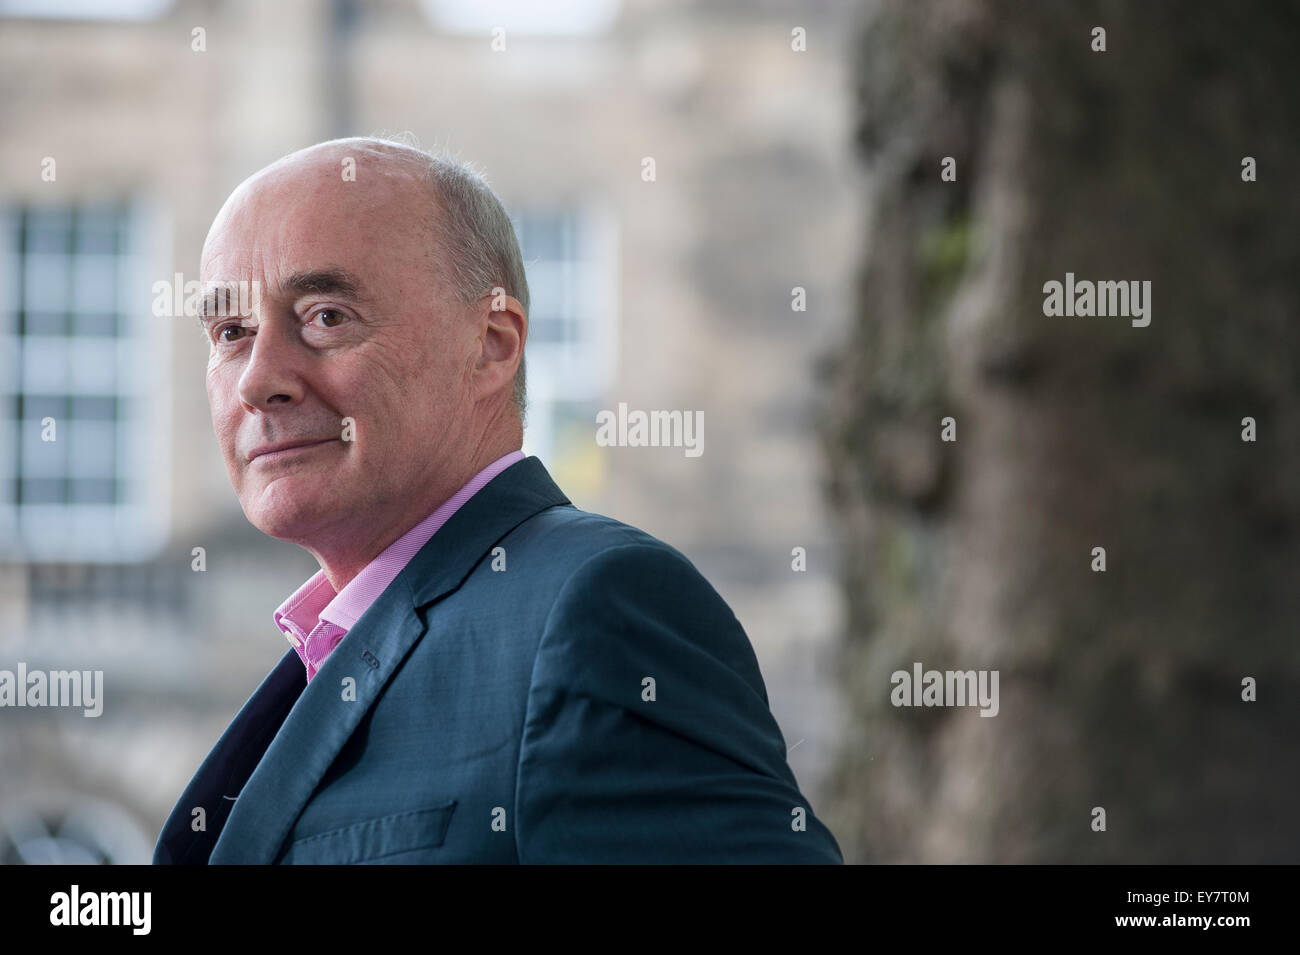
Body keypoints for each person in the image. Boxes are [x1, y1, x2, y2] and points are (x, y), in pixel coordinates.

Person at [153, 136, 843, 864]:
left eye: (326, 316)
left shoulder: (598, 610)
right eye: (231, 332)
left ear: (491, 342)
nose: (259, 379)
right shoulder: (329, 647)